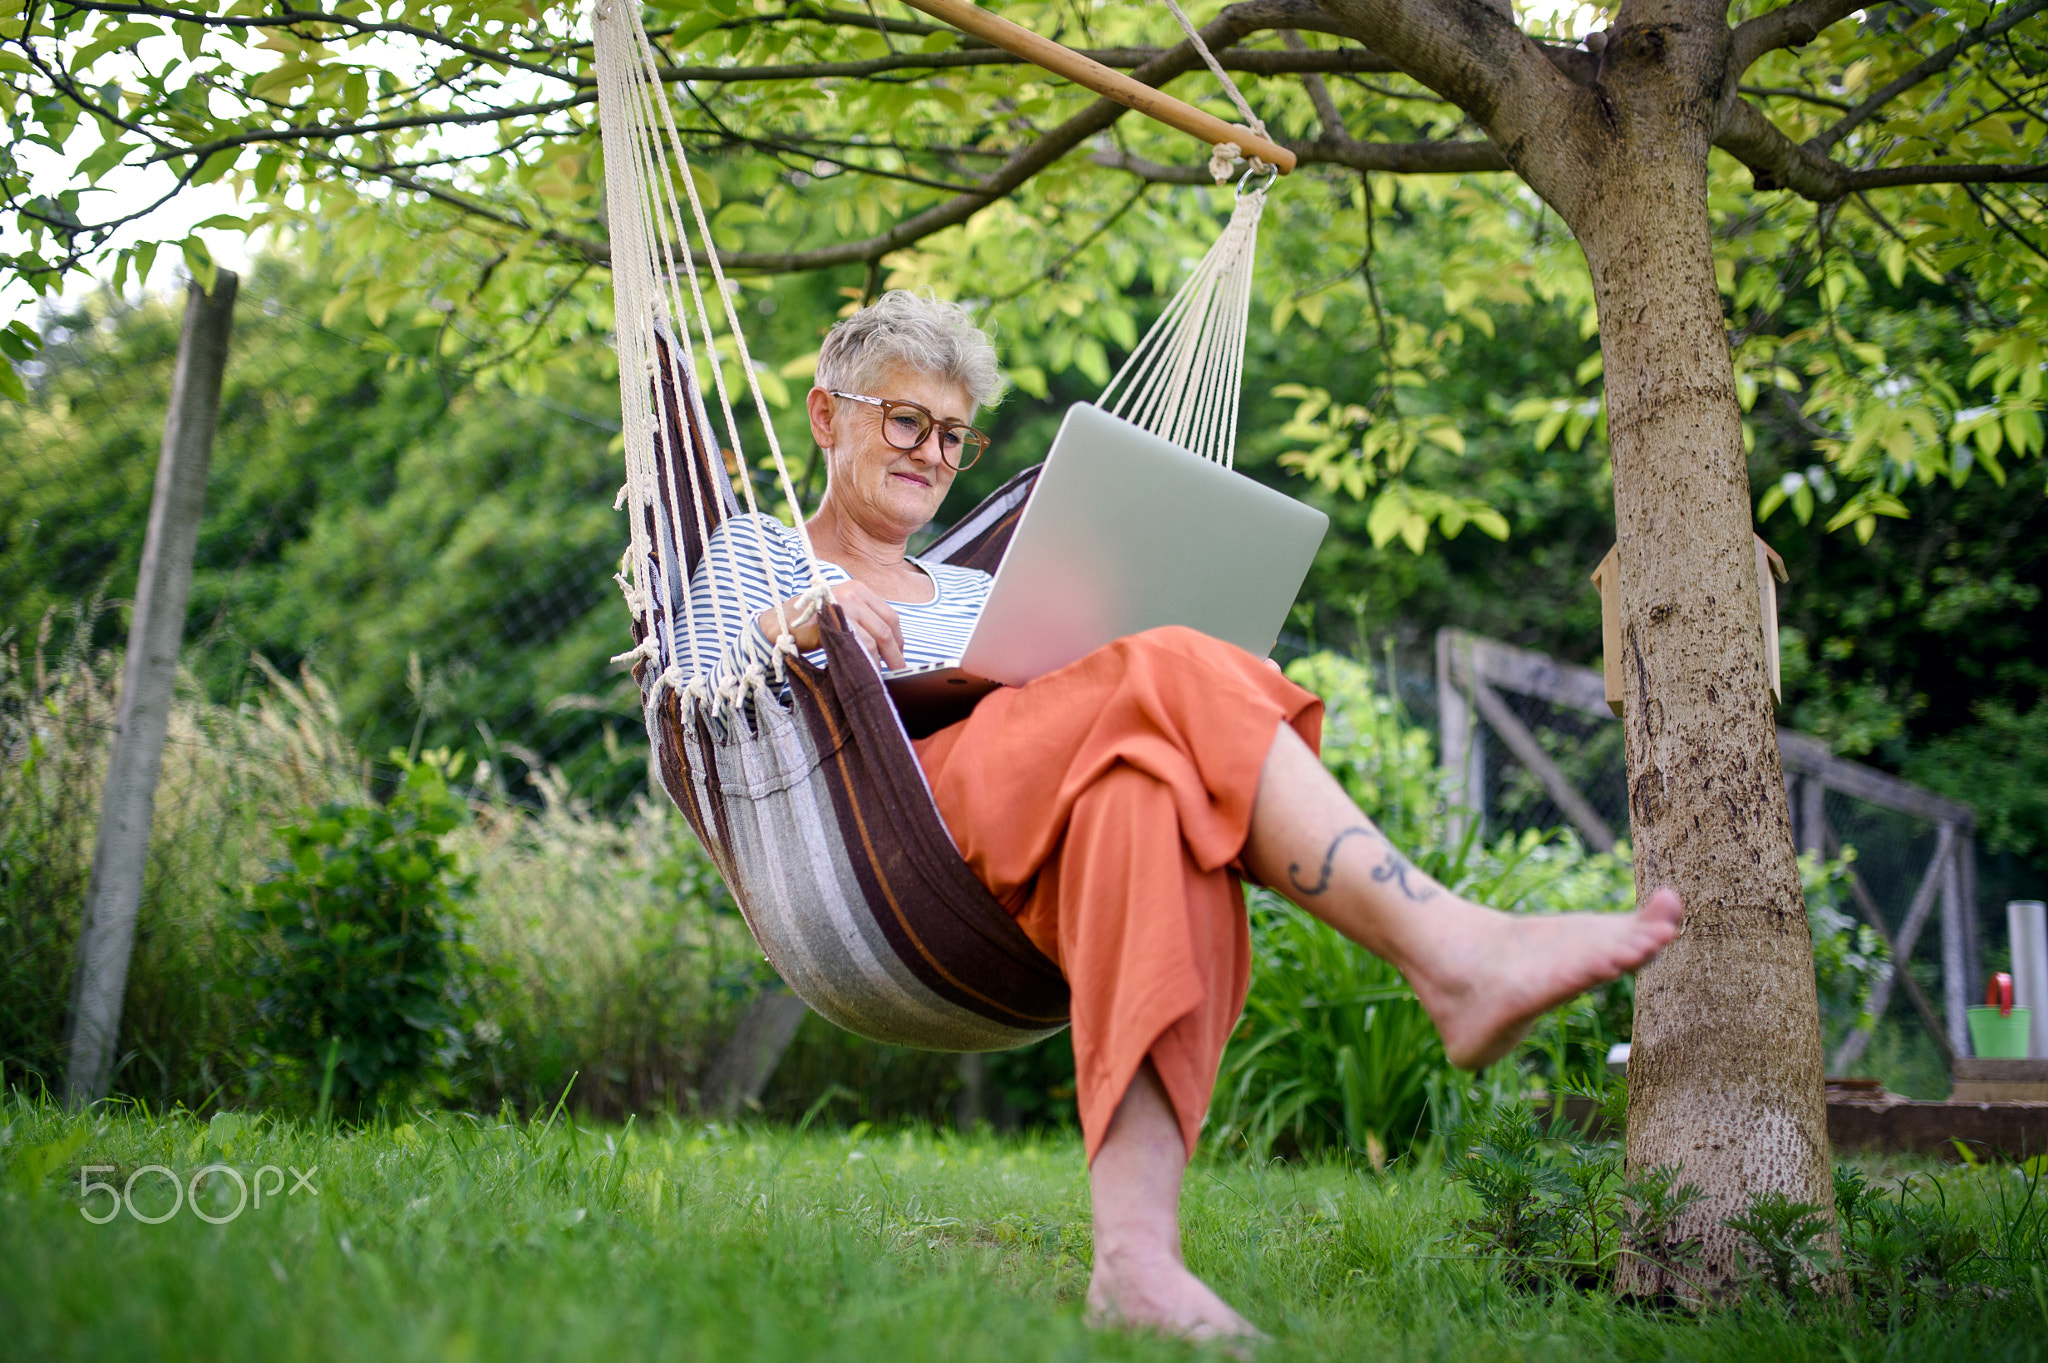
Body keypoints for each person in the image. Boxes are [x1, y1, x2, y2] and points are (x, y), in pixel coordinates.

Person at [687, 291, 1683, 1343]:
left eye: (951, 434)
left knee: (1148, 800)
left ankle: (1135, 1263)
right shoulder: (759, 550)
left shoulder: (978, 588)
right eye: (905, 421)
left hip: (1022, 830)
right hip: (889, 818)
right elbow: (699, 685)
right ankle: (1450, 947)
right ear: (824, 415)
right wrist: (803, 613)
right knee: (1183, 662)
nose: (932, 453)